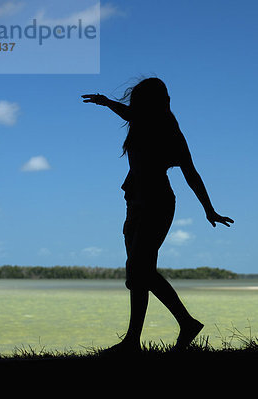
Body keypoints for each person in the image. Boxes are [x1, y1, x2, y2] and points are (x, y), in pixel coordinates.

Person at [82, 78, 233, 352]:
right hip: (134, 204)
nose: (133, 105)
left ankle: (176, 326)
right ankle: (139, 339)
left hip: (157, 203)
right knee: (139, 273)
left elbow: (191, 173)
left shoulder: (169, 132)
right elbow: (126, 112)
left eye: (138, 99)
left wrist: (209, 209)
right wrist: (106, 103)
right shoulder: (139, 122)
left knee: (140, 270)